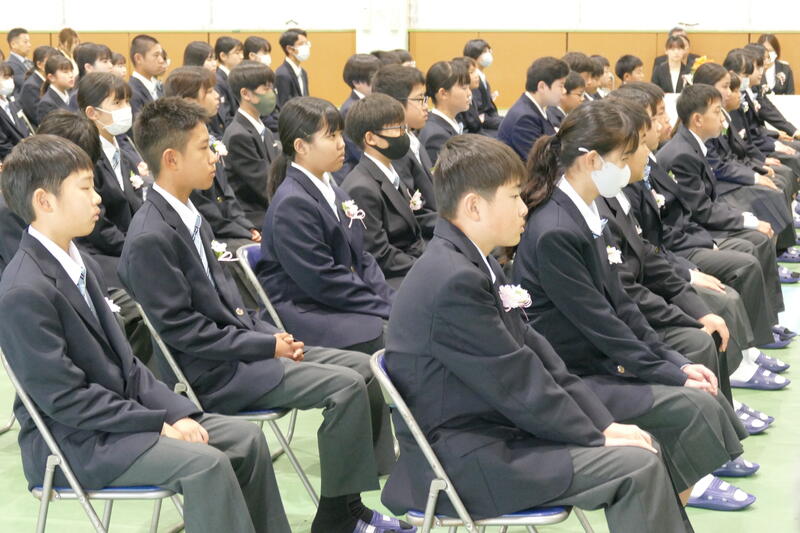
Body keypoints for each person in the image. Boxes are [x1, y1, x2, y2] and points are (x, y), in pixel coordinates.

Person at [383, 132, 696, 532]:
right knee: (636, 465)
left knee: (641, 447)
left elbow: (538, 355)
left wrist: (602, 424)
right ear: (474, 206)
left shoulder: (473, 262)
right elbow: (516, 382)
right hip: (466, 459)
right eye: (514, 197)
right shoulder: (451, 280)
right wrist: (593, 436)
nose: (524, 208)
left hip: (492, 431)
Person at [119, 96, 403, 533]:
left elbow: (228, 304)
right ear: (171, 159)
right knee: (345, 386)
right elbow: (185, 332)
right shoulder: (150, 236)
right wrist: (264, 345)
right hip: (216, 374)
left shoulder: (190, 215)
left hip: (244, 352)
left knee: (363, 369)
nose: (215, 156)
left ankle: (349, 506)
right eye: (204, 148)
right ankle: (337, 517)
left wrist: (270, 334)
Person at [0, 134, 289, 533]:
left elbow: (129, 366)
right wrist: (155, 424)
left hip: (120, 420)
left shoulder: (78, 260)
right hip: (79, 443)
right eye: (85, 188)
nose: (98, 198)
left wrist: (176, 413)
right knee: (206, 464)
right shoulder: (23, 291)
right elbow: (66, 398)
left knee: (246, 440)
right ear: (44, 201)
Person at [513, 99, 750, 510]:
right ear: (591, 160)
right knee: (694, 406)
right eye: (622, 158)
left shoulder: (586, 212)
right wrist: (669, 371)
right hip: (573, 376)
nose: (627, 167)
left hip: (597, 361)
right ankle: (681, 496)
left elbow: (622, 305)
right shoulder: (555, 229)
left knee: (699, 393)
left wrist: (674, 363)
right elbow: (601, 323)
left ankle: (680, 495)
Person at [258, 97, 395, 354]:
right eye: (331, 136)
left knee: (410, 319)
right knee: (401, 336)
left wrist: (390, 301)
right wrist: (383, 308)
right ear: (301, 146)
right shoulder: (293, 203)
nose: (342, 143)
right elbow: (323, 280)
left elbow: (363, 258)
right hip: (311, 311)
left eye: (341, 134)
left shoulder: (335, 191)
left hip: (337, 299)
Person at [164, 66, 259, 247]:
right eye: (208, 91)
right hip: (208, 233)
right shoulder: (181, 145)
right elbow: (201, 206)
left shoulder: (208, 133)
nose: (217, 96)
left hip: (228, 226)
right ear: (188, 101)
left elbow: (226, 192)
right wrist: (241, 232)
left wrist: (246, 226)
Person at [342, 93, 426, 285]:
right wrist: (426, 266)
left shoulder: (390, 169)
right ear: (371, 138)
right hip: (393, 278)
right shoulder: (361, 188)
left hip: (412, 259)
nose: (404, 134)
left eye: (404, 127)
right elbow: (380, 255)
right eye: (397, 128)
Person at [371, 65, 438, 237]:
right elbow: (414, 214)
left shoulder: (413, 137)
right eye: (420, 99)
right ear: (394, 103)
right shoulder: (395, 151)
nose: (426, 106)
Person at [221, 60, 279, 227]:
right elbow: (266, 186)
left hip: (267, 206)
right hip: (253, 214)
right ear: (246, 94)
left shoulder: (265, 131)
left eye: (272, 88)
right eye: (266, 89)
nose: (271, 94)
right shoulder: (238, 135)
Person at [497, 56, 568, 161]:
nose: (564, 91)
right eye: (561, 86)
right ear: (542, 87)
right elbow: (541, 163)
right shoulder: (524, 118)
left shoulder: (538, 108)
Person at [419, 60, 471, 164]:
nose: (469, 93)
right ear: (443, 93)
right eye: (464, 88)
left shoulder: (449, 122)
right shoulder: (436, 137)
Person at [462, 38, 503, 131]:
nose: (489, 54)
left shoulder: (482, 77)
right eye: (484, 52)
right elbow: (480, 114)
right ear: (473, 55)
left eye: (489, 51)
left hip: (489, 120)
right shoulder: (472, 81)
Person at [19, 45, 58, 126]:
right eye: (50, 62)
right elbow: (38, 117)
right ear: (39, 64)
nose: (55, 65)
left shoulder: (50, 81)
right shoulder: (30, 86)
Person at [0, 62, 33, 160]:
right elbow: (3, 145)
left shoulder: (12, 102)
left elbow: (26, 130)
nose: (10, 80)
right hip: (13, 160)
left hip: (28, 152)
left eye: (11, 77)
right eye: (6, 77)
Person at [275, 28, 311, 112]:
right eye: (301, 44)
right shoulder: (282, 74)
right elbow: (284, 107)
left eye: (306, 43)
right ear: (290, 49)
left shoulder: (303, 73)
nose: (306, 47)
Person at [128, 34, 165, 117]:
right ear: (138, 58)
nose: (161, 60)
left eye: (161, 55)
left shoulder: (159, 86)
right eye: (156, 55)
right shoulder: (131, 92)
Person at [36, 54, 77, 124]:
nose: (71, 75)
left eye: (71, 71)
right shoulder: (46, 104)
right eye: (65, 72)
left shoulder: (72, 93)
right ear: (51, 77)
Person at [214, 36, 244, 127]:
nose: (242, 56)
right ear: (223, 56)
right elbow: (225, 117)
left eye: (242, 53)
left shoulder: (234, 77)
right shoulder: (218, 81)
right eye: (237, 53)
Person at [5, 28, 32, 96]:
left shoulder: (30, 62)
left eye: (29, 42)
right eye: (25, 42)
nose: (29, 45)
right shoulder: (10, 64)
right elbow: (28, 85)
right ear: (13, 44)